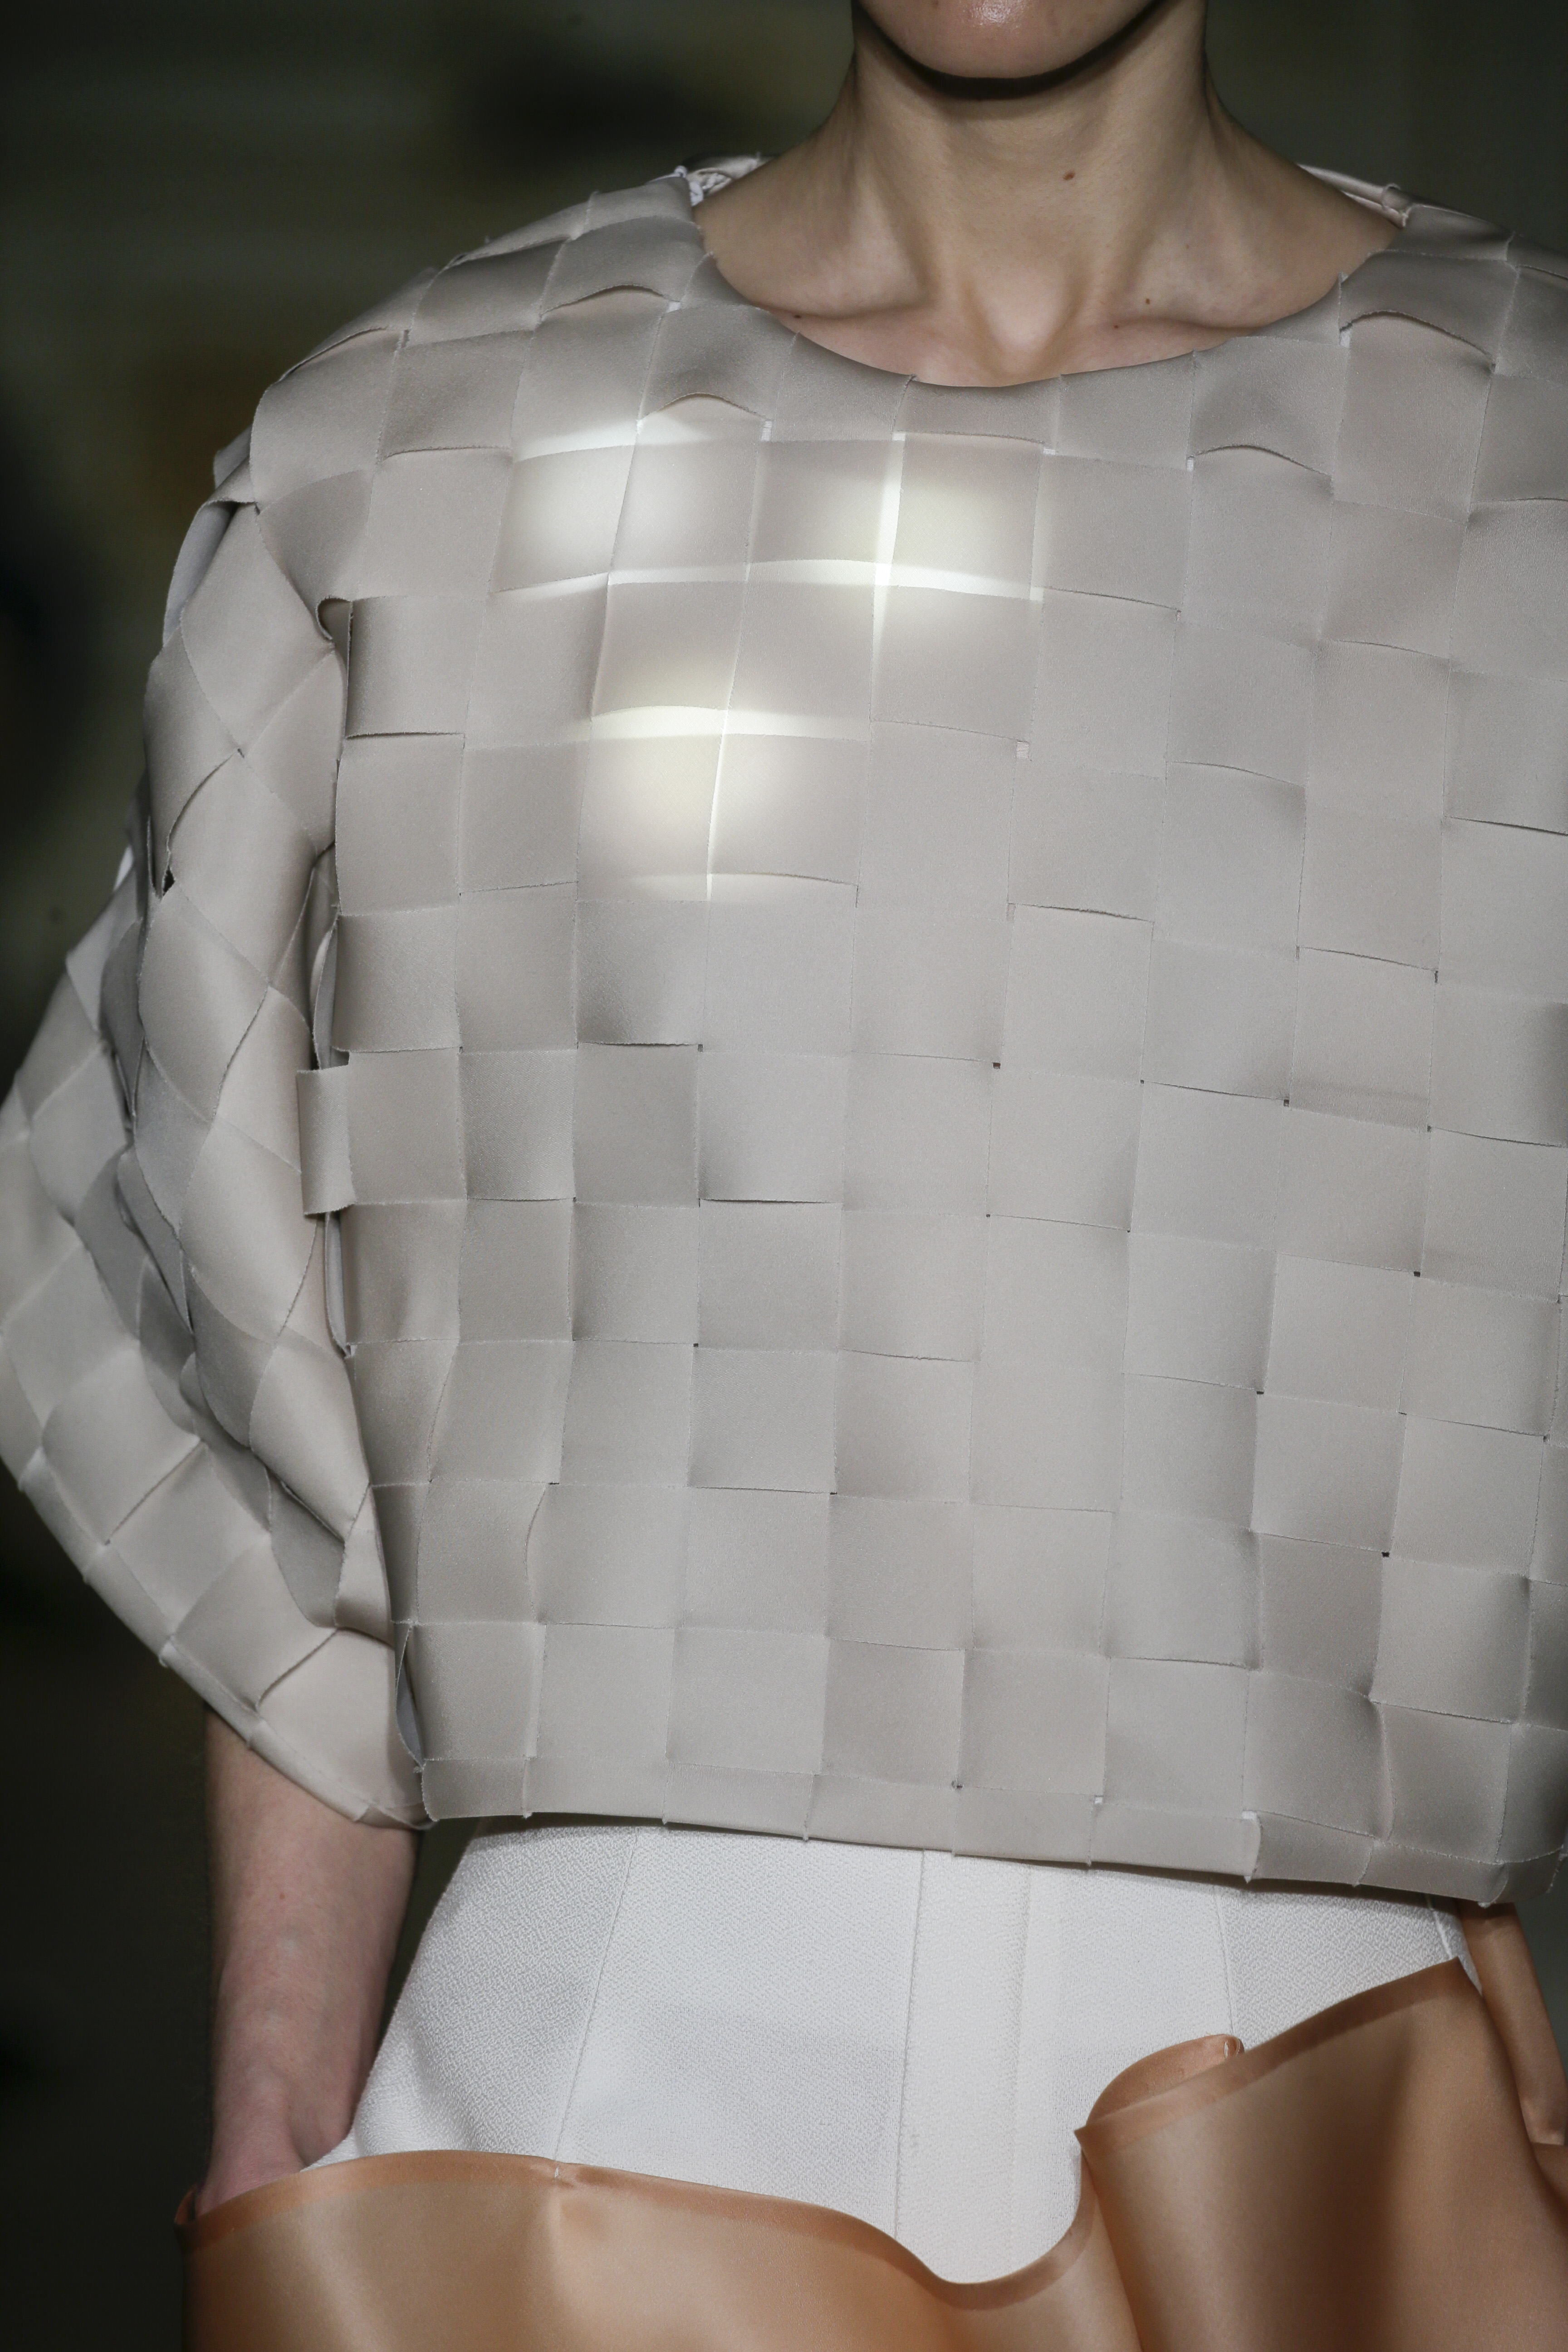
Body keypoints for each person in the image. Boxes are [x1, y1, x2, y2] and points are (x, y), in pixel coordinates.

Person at [4, 1, 1568, 2342]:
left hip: (1348, 2123)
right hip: (591, 2094)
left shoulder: (1533, 467)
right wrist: (275, 2132)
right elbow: (260, 1380)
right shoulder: (416, 454)